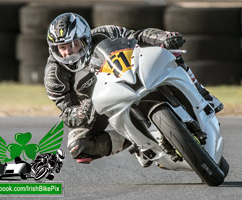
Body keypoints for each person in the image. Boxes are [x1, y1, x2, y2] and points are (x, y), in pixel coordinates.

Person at [44, 13, 223, 167]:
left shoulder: (106, 33)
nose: (68, 52)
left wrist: (163, 36)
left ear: (85, 39)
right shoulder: (54, 76)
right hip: (94, 107)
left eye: (73, 44)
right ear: (55, 50)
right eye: (62, 47)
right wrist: (80, 113)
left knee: (171, 50)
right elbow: (66, 111)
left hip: (128, 74)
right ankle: (134, 142)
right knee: (78, 146)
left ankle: (201, 93)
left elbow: (137, 36)